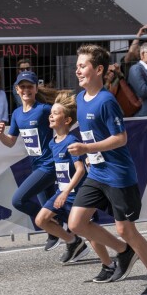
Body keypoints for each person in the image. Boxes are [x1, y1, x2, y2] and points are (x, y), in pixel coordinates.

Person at [67, 44, 147, 295]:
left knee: (126, 229)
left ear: (99, 69)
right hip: (97, 172)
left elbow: (121, 138)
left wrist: (86, 147)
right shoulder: (80, 99)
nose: (77, 70)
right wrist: (89, 155)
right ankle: (123, 252)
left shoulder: (106, 101)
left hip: (118, 174)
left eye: (82, 66)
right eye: (77, 66)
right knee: (76, 223)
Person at [0, 70, 61, 251]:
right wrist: (0, 135)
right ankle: (72, 240)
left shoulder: (44, 110)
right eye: (22, 86)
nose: (26, 90)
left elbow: (64, 123)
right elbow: (10, 142)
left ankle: (59, 229)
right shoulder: (16, 114)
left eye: (29, 86)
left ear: (36, 88)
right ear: (17, 89)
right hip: (36, 165)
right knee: (50, 208)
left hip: (49, 165)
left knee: (19, 200)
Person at [35, 91, 91, 264]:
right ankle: (73, 242)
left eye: (55, 113)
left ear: (67, 120)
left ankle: (110, 263)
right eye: (50, 113)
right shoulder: (53, 143)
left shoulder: (71, 141)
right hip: (62, 192)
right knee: (41, 220)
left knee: (89, 231)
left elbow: (80, 169)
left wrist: (65, 192)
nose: (51, 116)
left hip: (74, 194)